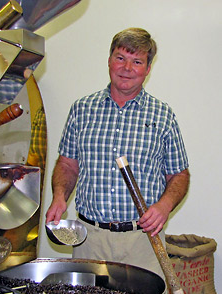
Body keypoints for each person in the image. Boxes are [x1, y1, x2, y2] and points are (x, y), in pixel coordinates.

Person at [45, 28, 190, 278]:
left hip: (142, 241)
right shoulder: (82, 110)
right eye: (120, 58)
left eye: (137, 61)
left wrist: (164, 206)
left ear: (148, 68)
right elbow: (67, 165)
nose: (127, 68)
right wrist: (60, 196)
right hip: (89, 240)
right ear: (109, 60)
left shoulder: (163, 116)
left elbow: (180, 175)